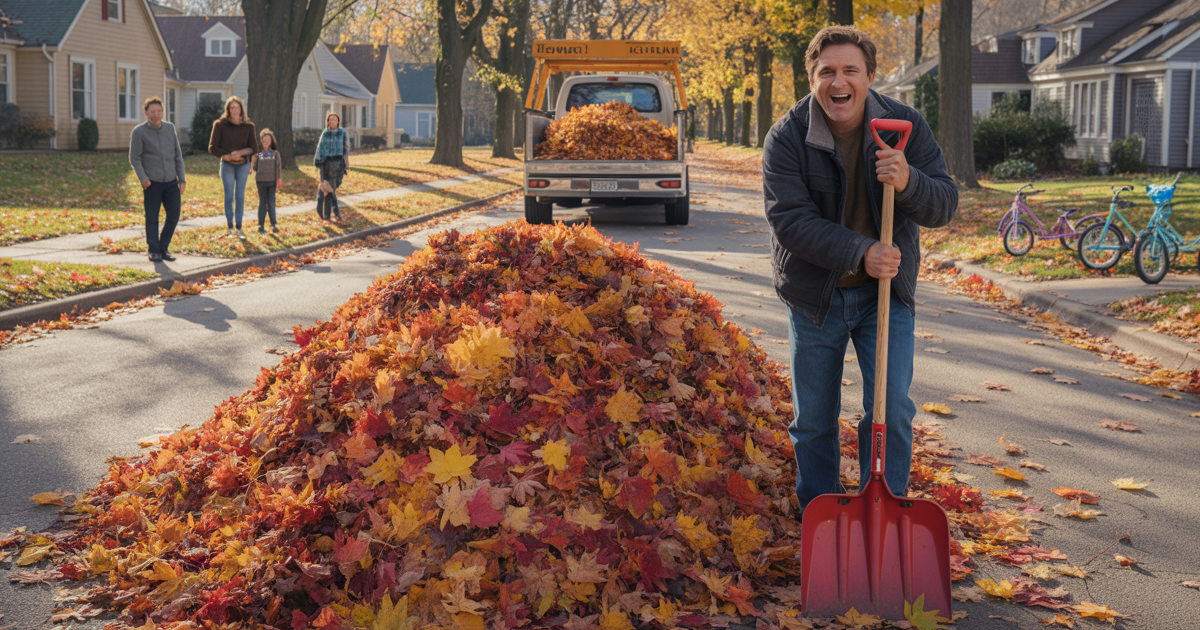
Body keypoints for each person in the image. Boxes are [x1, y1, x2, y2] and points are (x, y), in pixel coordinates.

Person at [761, 26, 958, 512]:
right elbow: (791, 222)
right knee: (813, 421)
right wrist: (861, 251)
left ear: (870, 77)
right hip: (816, 297)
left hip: (885, 296)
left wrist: (910, 180)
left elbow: (944, 204)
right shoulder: (786, 137)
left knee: (891, 411)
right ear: (811, 79)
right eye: (826, 71)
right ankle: (821, 516)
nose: (838, 81)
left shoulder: (903, 125)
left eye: (850, 69)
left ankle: (884, 513)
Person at [128, 96, 186, 262]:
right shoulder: (139, 132)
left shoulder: (169, 128)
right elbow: (135, 158)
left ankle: (163, 247)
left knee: (174, 215)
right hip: (151, 183)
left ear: (162, 112)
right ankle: (154, 250)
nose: (156, 114)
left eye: (159, 111)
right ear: (146, 112)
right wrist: (143, 178)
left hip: (171, 182)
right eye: (152, 111)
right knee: (152, 217)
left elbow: (177, 155)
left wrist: (182, 179)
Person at [209, 96, 258, 238]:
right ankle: (230, 226)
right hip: (227, 165)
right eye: (232, 108)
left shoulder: (249, 127)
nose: (235, 110)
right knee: (229, 196)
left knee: (240, 196)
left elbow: (254, 148)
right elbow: (212, 147)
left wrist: (241, 153)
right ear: (228, 110)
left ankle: (239, 227)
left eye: (237, 107)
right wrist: (228, 156)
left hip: (243, 165)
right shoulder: (220, 125)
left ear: (241, 109)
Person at [314, 111, 349, 222]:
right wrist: (319, 162)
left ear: (338, 121)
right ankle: (324, 212)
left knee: (331, 190)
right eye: (330, 119)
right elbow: (320, 148)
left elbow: (345, 150)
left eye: (335, 119)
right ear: (328, 122)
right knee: (325, 187)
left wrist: (346, 165)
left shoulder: (342, 133)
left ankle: (330, 214)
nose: (333, 121)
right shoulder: (325, 133)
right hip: (326, 164)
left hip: (338, 164)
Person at [251, 128, 283, 234]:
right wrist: (251, 167)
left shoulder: (275, 154)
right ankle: (261, 225)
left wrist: (279, 179)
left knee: (271, 202)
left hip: (272, 181)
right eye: (263, 139)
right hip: (260, 181)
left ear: (271, 141)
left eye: (268, 139)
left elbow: (278, 167)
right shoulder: (258, 154)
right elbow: (253, 167)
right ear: (261, 141)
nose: (265, 141)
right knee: (262, 203)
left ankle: (273, 224)